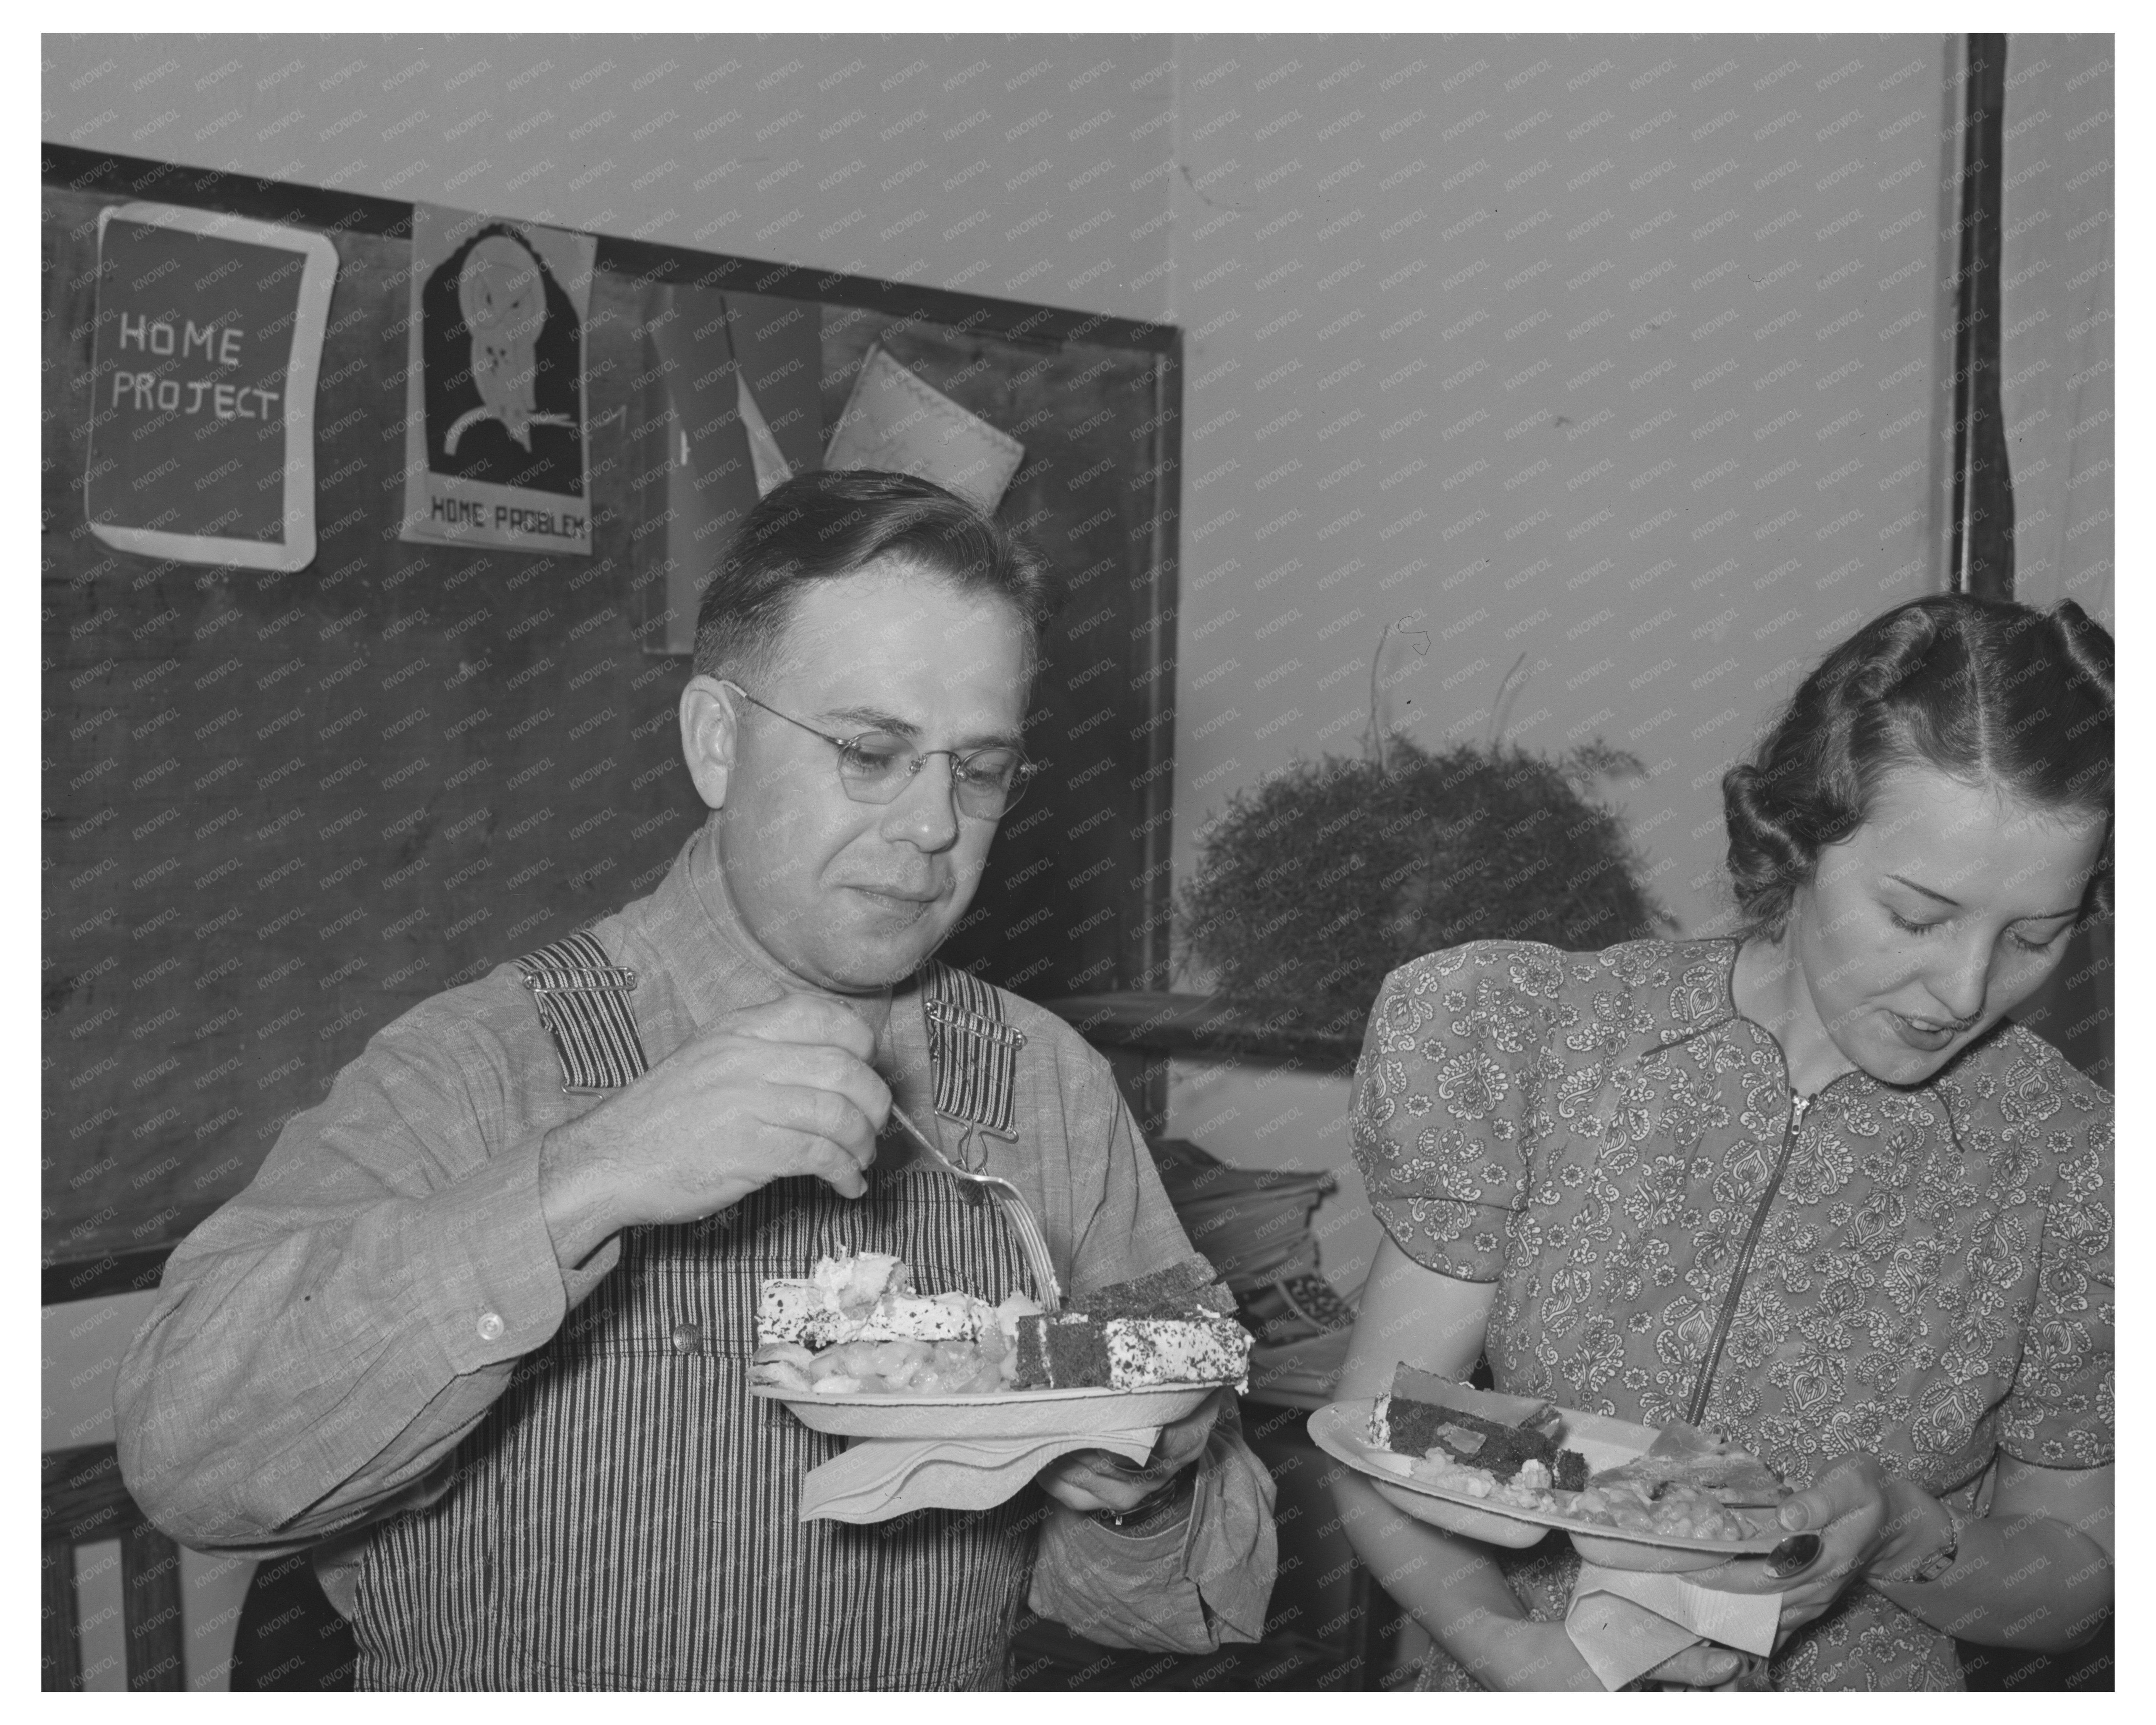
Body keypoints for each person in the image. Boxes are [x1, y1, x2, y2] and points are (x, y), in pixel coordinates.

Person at [116, 469, 1275, 1689]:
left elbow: (1193, 1601)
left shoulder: (1047, 1090)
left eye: (977, 769)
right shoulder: (480, 1066)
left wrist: (1145, 1480)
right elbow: (188, 1463)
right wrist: (584, 1176)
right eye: (872, 752)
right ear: (717, 742)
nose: (937, 825)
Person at [1334, 594, 2113, 1690]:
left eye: (2037, 935)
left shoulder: (2079, 1166)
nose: (1969, 990)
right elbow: (1385, 1431)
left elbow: (2076, 1584)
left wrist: (1905, 1537)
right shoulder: (1537, 1041)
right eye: (1918, 915)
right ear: (1794, 838)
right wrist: (1515, 1655)